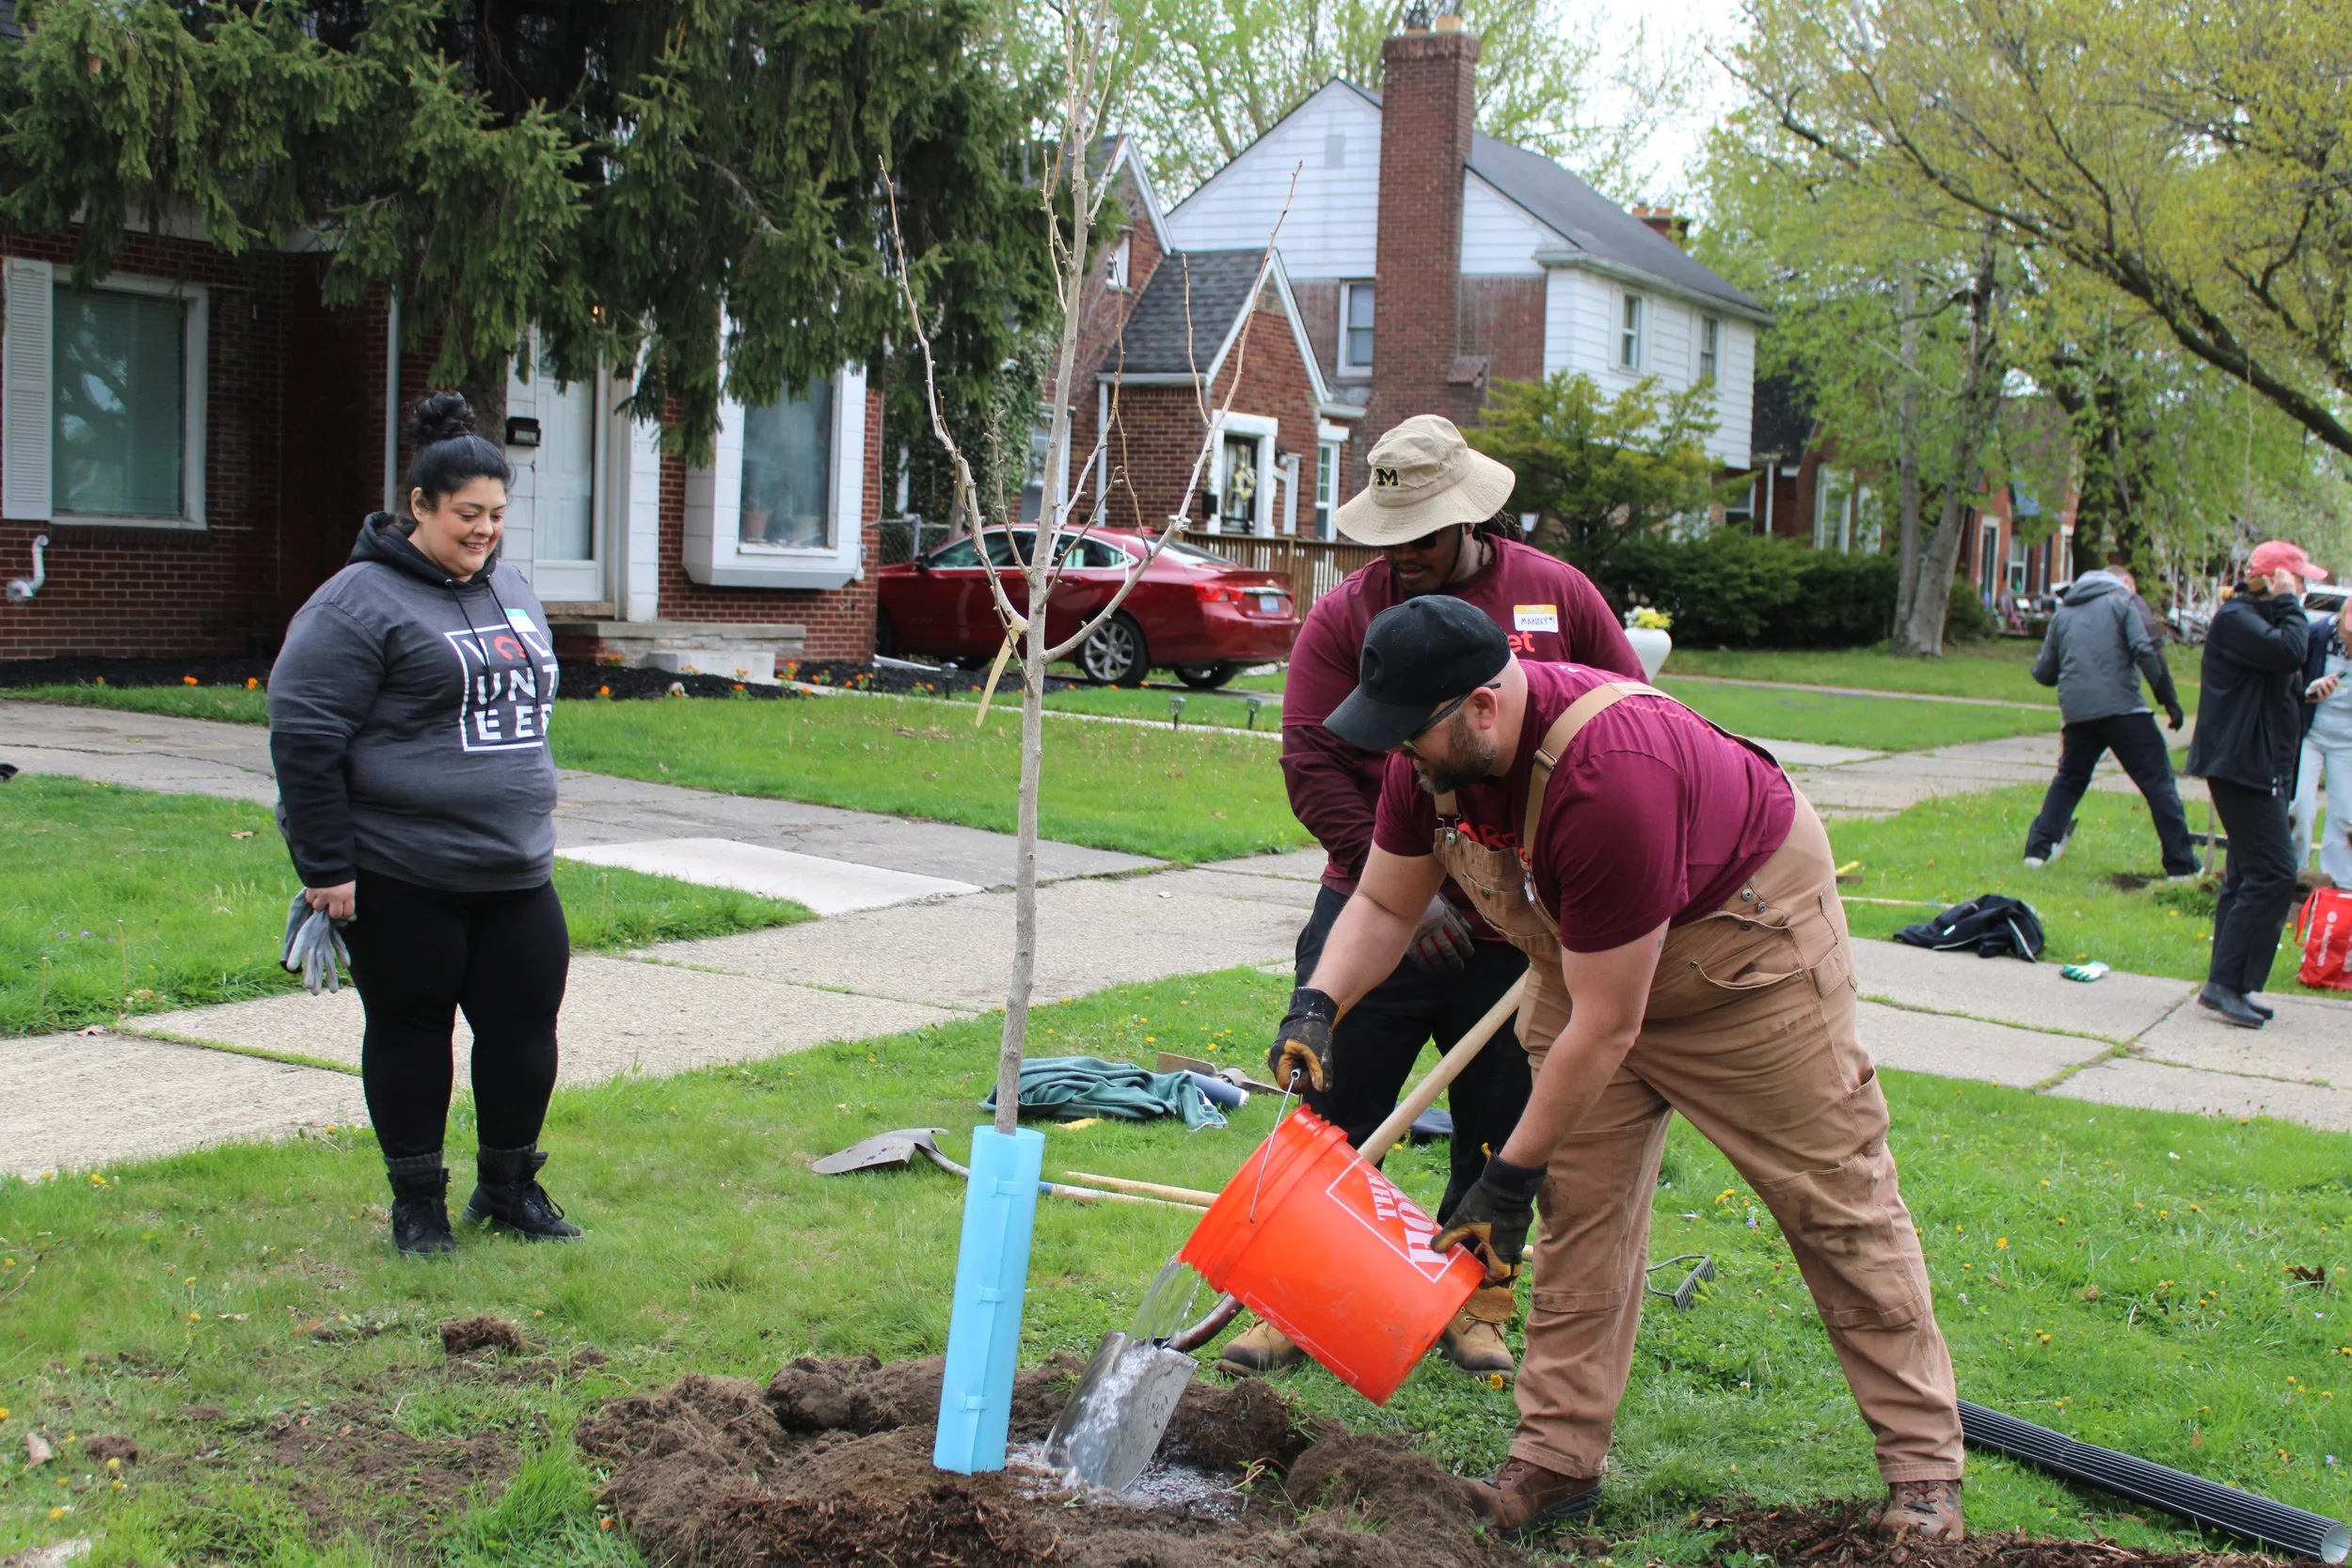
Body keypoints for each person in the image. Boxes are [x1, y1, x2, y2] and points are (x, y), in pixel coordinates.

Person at [1270, 595, 1964, 1540]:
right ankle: (1554, 1461)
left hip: (1746, 965)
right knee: (1580, 1210)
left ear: (1481, 706)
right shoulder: (1427, 760)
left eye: (1412, 736)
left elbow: (1607, 1026)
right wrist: (1318, 1002)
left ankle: (1924, 1476)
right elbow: (1388, 908)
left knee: (1836, 1204)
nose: (1399, 757)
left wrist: (1501, 1179)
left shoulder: (1608, 775)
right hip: (1590, 962)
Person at [1231, 416, 1643, 1382]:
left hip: (1515, 913)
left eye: (1418, 534)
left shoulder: (1555, 594)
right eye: (1385, 537)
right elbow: (1313, 759)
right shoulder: (1346, 616)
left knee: (1499, 1104)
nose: (1400, 556)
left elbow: (1621, 721)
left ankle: (1472, 1302)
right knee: (1332, 1099)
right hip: (1381, 896)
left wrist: (1529, 884)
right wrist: (1407, 897)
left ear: (1464, 518)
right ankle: (1289, 1297)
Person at [270, 392, 580, 1256]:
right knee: (411, 1034)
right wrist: (327, 866)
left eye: (496, 515)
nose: (484, 531)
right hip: (404, 871)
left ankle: (509, 1187)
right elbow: (303, 736)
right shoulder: (355, 604)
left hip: (515, 869)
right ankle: (418, 1206)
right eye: (466, 516)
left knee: (524, 1032)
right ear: (419, 506)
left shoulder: (511, 587)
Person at [2183, 541, 2320, 1028]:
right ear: (2275, 578)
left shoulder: (2256, 621)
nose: (2303, 588)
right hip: (2241, 765)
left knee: (2245, 875)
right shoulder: (2238, 618)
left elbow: (2276, 677)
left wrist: (2305, 695)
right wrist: (2289, 604)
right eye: (2297, 579)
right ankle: (2226, 984)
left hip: (2258, 763)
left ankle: (2231, 984)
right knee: (2276, 872)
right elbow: (2289, 650)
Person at [2021, 563, 2199, 877]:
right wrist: (2169, 701)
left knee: (2069, 780)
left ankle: (2037, 852)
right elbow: (2145, 649)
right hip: (2124, 710)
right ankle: (2182, 866)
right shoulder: (2124, 601)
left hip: (2078, 715)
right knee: (2158, 783)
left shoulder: (2064, 612)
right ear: (2126, 581)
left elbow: (2043, 670)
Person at [2290, 596, 2350, 889]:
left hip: (2347, 743)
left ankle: (2340, 885)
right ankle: (2293, 874)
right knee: (2300, 805)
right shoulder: (2316, 636)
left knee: (2345, 815)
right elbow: (2290, 685)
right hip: (2311, 733)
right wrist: (2309, 690)